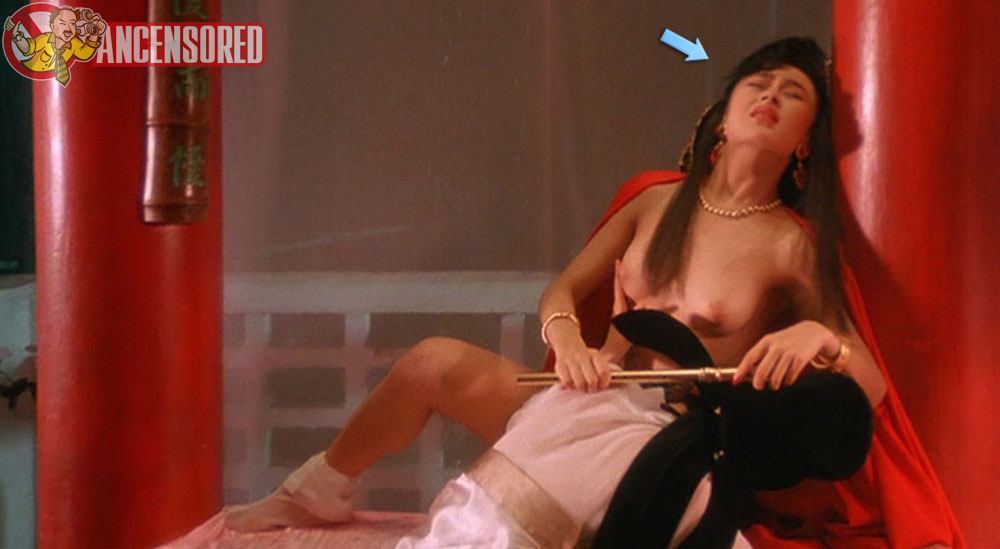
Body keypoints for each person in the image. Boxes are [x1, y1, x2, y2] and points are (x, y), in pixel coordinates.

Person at [224, 37, 964, 548]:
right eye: (757, 83)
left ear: (805, 140)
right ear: (723, 114)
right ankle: (317, 490)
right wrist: (569, 341)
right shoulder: (655, 199)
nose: (770, 95)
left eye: (792, 92)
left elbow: (870, 385)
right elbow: (564, 290)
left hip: (664, 435)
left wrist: (821, 338)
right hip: (582, 394)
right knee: (431, 361)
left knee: (555, 484)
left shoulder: (793, 244)